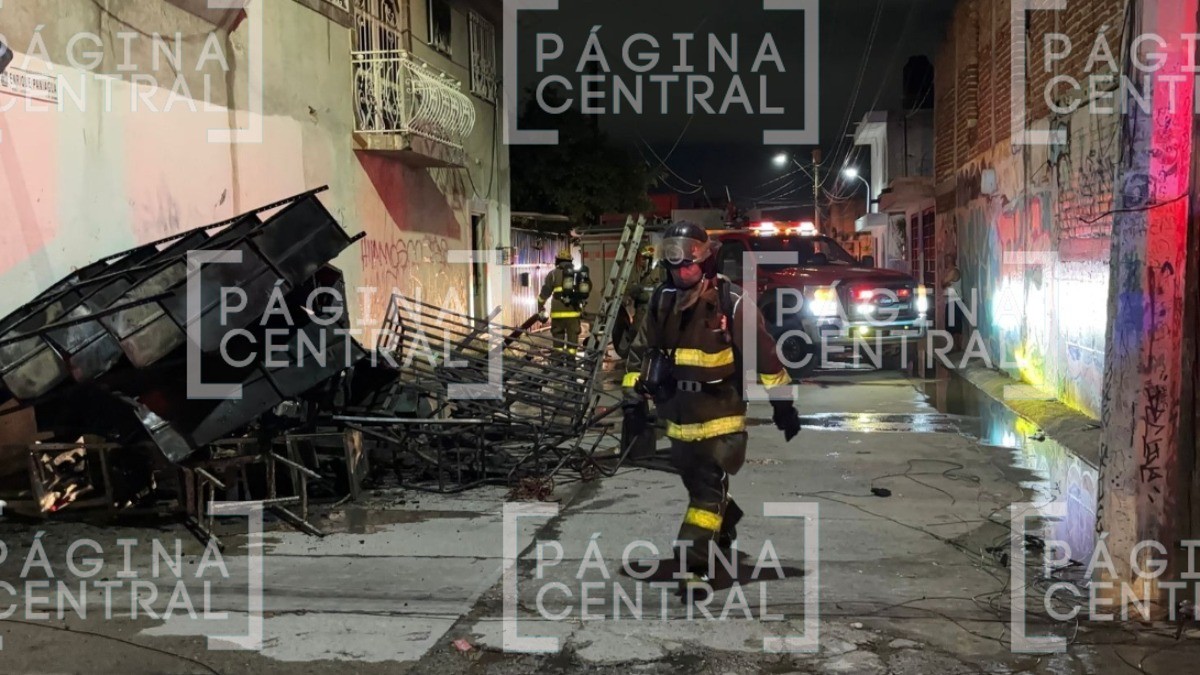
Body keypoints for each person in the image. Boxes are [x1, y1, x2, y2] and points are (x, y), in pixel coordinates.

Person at [622, 222, 802, 592]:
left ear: (705, 261)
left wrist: (783, 404)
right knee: (698, 484)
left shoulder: (731, 301)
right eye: (674, 266)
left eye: (688, 264)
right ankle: (726, 518)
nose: (681, 272)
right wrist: (632, 400)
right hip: (678, 416)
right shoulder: (661, 301)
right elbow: (641, 352)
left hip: (721, 416)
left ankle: (693, 567)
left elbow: (765, 355)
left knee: (704, 493)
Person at [537, 247, 588, 360]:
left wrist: (540, 306)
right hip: (573, 313)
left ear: (557, 261)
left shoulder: (552, 274)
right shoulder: (576, 274)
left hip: (557, 314)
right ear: (570, 261)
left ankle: (557, 361)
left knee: (558, 340)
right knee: (572, 340)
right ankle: (571, 362)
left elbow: (545, 293)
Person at [941, 253, 964, 350]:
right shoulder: (950, 272)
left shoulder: (954, 272)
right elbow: (943, 284)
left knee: (954, 326)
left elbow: (943, 282)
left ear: (950, 261)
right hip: (952, 301)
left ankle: (956, 347)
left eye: (946, 260)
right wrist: (945, 283)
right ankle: (955, 347)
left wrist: (945, 283)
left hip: (954, 302)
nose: (945, 262)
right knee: (952, 325)